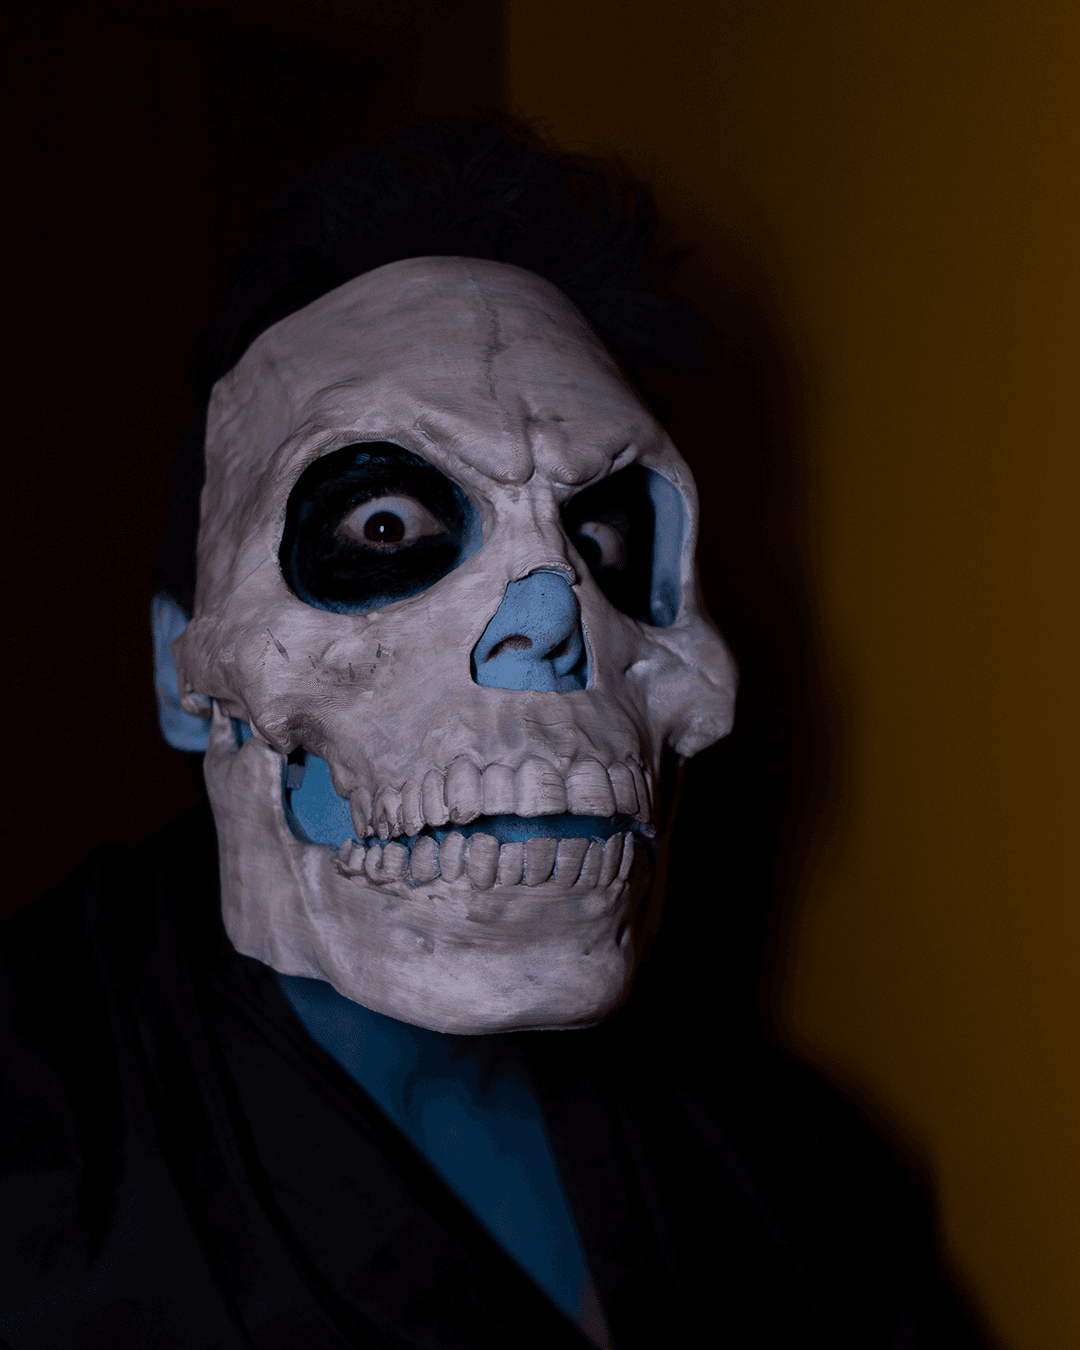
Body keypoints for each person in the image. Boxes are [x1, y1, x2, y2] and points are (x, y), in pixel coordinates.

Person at [0, 116, 985, 1349]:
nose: (551, 626)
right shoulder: (43, 1175)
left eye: (606, 539)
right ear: (181, 672)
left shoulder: (795, 1176)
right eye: (386, 529)